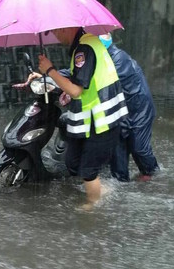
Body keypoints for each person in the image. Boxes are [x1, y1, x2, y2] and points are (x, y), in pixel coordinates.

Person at [36, 27, 128, 209]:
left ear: (65, 28)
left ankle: (93, 205)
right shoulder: (86, 43)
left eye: (55, 32)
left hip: (101, 118)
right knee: (72, 161)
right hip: (91, 117)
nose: (55, 36)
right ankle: (100, 189)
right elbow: (78, 78)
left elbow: (76, 90)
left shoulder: (83, 49)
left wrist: (50, 70)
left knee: (88, 169)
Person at [99, 34, 159, 182]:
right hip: (117, 111)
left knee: (138, 148)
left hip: (139, 109)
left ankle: (152, 174)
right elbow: (78, 73)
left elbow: (106, 84)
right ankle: (120, 182)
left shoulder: (119, 58)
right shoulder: (98, 59)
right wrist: (52, 77)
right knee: (118, 153)